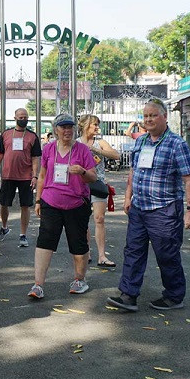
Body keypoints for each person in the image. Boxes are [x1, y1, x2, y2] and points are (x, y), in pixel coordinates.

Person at [108, 99, 190, 312]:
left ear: (164, 117)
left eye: (153, 115)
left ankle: (174, 296)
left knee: (167, 254)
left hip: (165, 209)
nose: (148, 119)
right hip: (139, 208)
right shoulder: (140, 142)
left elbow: (189, 179)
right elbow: (133, 171)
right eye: (145, 116)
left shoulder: (176, 144)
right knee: (133, 251)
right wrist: (128, 197)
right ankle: (128, 295)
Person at [27, 113, 97, 299]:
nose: (67, 130)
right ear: (56, 130)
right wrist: (38, 200)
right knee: (45, 240)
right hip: (51, 201)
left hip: (76, 203)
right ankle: (38, 285)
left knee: (78, 242)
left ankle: (79, 280)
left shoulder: (82, 150)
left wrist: (82, 171)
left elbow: (93, 177)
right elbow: (42, 176)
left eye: (70, 127)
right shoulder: (49, 148)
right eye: (63, 127)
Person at [0, 108, 42, 248]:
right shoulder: (6, 134)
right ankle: (4, 227)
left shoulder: (32, 136)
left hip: (26, 177)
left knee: (25, 205)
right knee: (4, 203)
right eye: (21, 117)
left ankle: (23, 234)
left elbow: (35, 158)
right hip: (8, 175)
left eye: (25, 117)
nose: (23, 119)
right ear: (15, 118)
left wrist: (35, 175)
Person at [77, 114, 121, 267]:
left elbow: (116, 155)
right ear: (85, 126)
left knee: (99, 218)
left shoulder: (100, 142)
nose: (97, 127)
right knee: (82, 220)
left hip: (98, 184)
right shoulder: (76, 143)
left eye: (97, 124)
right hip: (80, 185)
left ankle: (102, 256)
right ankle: (86, 252)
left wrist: (96, 150)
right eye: (94, 124)